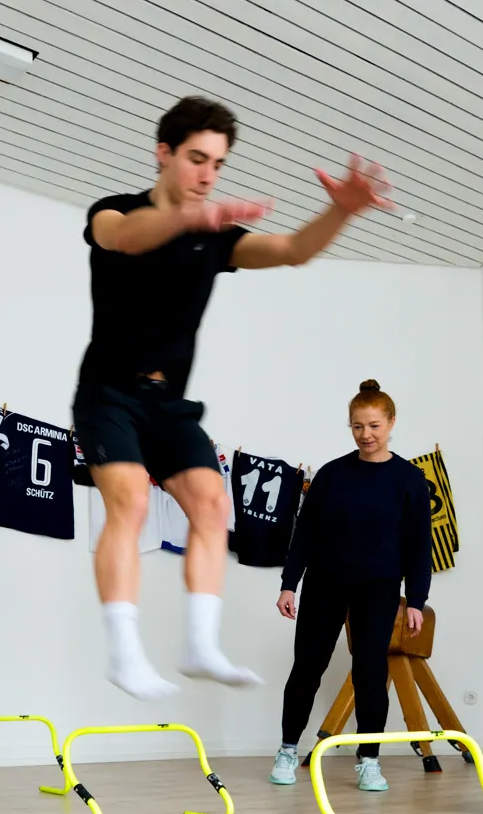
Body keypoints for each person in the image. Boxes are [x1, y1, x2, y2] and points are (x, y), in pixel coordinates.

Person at [78, 97, 392, 699]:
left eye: (217, 165)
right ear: (163, 153)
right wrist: (188, 221)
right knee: (131, 504)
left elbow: (293, 251)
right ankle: (124, 653)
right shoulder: (113, 211)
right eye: (197, 159)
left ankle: (199, 645)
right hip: (107, 394)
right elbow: (123, 238)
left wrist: (340, 212)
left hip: (169, 405)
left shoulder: (214, 237)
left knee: (212, 505)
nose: (207, 175)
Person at [273, 380, 433, 793]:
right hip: (325, 582)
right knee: (308, 666)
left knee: (369, 669)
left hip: (378, 587)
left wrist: (416, 600)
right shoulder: (332, 474)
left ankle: (369, 760)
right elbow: (304, 534)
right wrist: (289, 584)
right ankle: (288, 750)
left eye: (375, 425)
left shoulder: (410, 479)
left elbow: (418, 545)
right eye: (358, 426)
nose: (366, 434)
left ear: (392, 422)